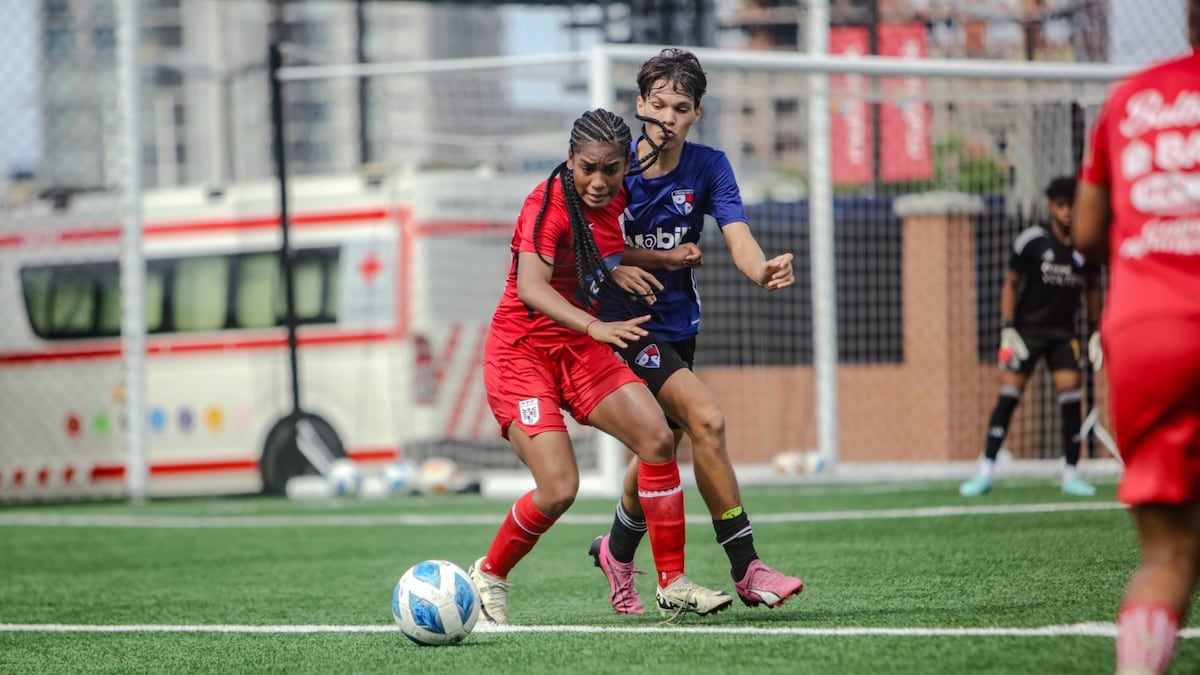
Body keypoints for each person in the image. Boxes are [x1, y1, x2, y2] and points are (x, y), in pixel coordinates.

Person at [468, 108, 733, 624]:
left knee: (658, 439)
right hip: (522, 354)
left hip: (578, 349)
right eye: (588, 167)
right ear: (570, 161)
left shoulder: (616, 196)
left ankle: (672, 583)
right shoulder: (546, 206)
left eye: (611, 169)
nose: (599, 181)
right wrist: (595, 327)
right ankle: (489, 574)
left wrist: (662, 259)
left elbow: (609, 252)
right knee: (559, 488)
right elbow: (531, 287)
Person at [585, 48, 804, 616]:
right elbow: (586, 244)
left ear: (696, 114)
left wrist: (760, 270)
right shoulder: (613, 170)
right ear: (639, 105)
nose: (668, 116)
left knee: (664, 446)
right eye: (658, 104)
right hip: (626, 329)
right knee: (707, 417)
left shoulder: (709, 166)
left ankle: (616, 548)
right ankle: (747, 567)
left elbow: (738, 235)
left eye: (681, 107)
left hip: (680, 327)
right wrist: (640, 263)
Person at [1073, 3, 1200, 671]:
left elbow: (1090, 236)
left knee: (1167, 558)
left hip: (1148, 331)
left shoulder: (1130, 99)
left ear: (1188, 20)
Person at [958, 176, 1101, 498]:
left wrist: (1095, 330)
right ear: (1051, 207)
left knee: (1071, 395)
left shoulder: (1085, 245)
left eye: (1071, 205)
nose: (1067, 212)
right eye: (1061, 205)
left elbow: (1092, 287)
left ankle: (1071, 474)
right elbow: (1010, 283)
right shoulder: (1032, 241)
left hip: (1064, 334)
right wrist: (1007, 328)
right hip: (1027, 332)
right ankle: (985, 471)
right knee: (1009, 394)